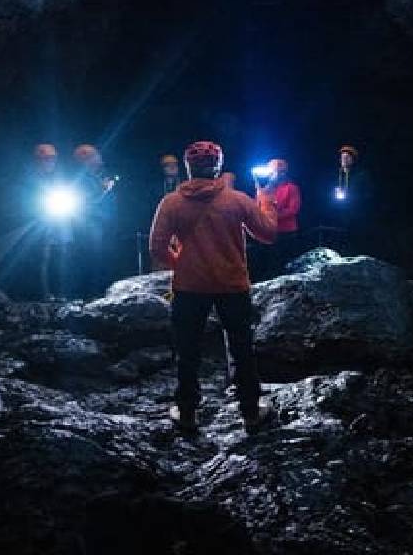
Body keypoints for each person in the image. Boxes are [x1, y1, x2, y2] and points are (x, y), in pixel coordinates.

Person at [149, 141, 277, 432]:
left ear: (187, 167)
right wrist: (265, 193)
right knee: (241, 347)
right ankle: (251, 412)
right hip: (232, 285)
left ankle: (187, 412)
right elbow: (268, 233)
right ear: (218, 166)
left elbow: (156, 246)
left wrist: (180, 264)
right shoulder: (237, 200)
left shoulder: (172, 202)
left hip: (189, 286)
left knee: (188, 348)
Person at [0, 143, 72, 299]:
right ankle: (42, 294)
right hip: (37, 223)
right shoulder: (27, 176)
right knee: (41, 257)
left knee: (60, 256)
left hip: (58, 221)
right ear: (38, 158)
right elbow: (20, 198)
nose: (52, 161)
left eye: (54, 158)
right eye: (48, 158)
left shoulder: (56, 177)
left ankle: (60, 293)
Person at [73, 144, 120, 296]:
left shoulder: (99, 175)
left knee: (104, 258)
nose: (100, 157)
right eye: (96, 155)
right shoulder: (79, 179)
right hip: (91, 223)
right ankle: (92, 294)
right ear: (86, 159)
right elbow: (85, 202)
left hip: (105, 221)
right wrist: (104, 189)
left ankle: (102, 292)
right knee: (93, 259)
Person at [255, 158, 302, 279]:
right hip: (269, 231)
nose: (270, 174)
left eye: (273, 171)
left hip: (286, 233)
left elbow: (293, 209)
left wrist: (272, 216)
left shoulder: (291, 188)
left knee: (285, 265)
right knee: (268, 264)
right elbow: (257, 207)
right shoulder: (264, 189)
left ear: (282, 173)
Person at [326, 145, 371, 253]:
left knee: (354, 242)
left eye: (347, 157)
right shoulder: (336, 175)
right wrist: (334, 193)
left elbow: (368, 195)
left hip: (356, 215)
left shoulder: (361, 175)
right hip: (339, 213)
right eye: (342, 157)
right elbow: (327, 192)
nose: (344, 159)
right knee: (340, 240)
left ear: (353, 159)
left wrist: (352, 196)